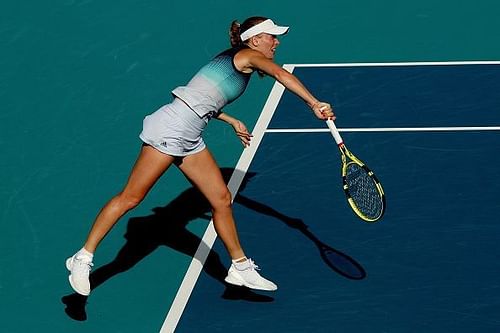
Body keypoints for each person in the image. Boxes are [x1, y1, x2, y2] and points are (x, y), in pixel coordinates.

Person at [65, 16, 335, 296]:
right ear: (255, 40)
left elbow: (201, 97)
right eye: (272, 37)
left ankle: (240, 267)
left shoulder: (235, 60)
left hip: (190, 134)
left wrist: (230, 120)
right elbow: (282, 75)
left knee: (221, 199)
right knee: (131, 198)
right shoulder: (248, 56)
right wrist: (314, 103)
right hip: (171, 129)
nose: (276, 42)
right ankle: (82, 258)